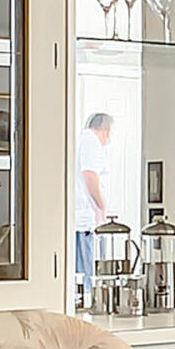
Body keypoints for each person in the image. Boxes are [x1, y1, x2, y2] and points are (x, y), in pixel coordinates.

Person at [74, 111, 116, 285]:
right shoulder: (91, 141)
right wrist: (102, 206)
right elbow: (90, 175)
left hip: (80, 219)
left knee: (80, 276)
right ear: (106, 130)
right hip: (84, 221)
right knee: (87, 278)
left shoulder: (81, 140)